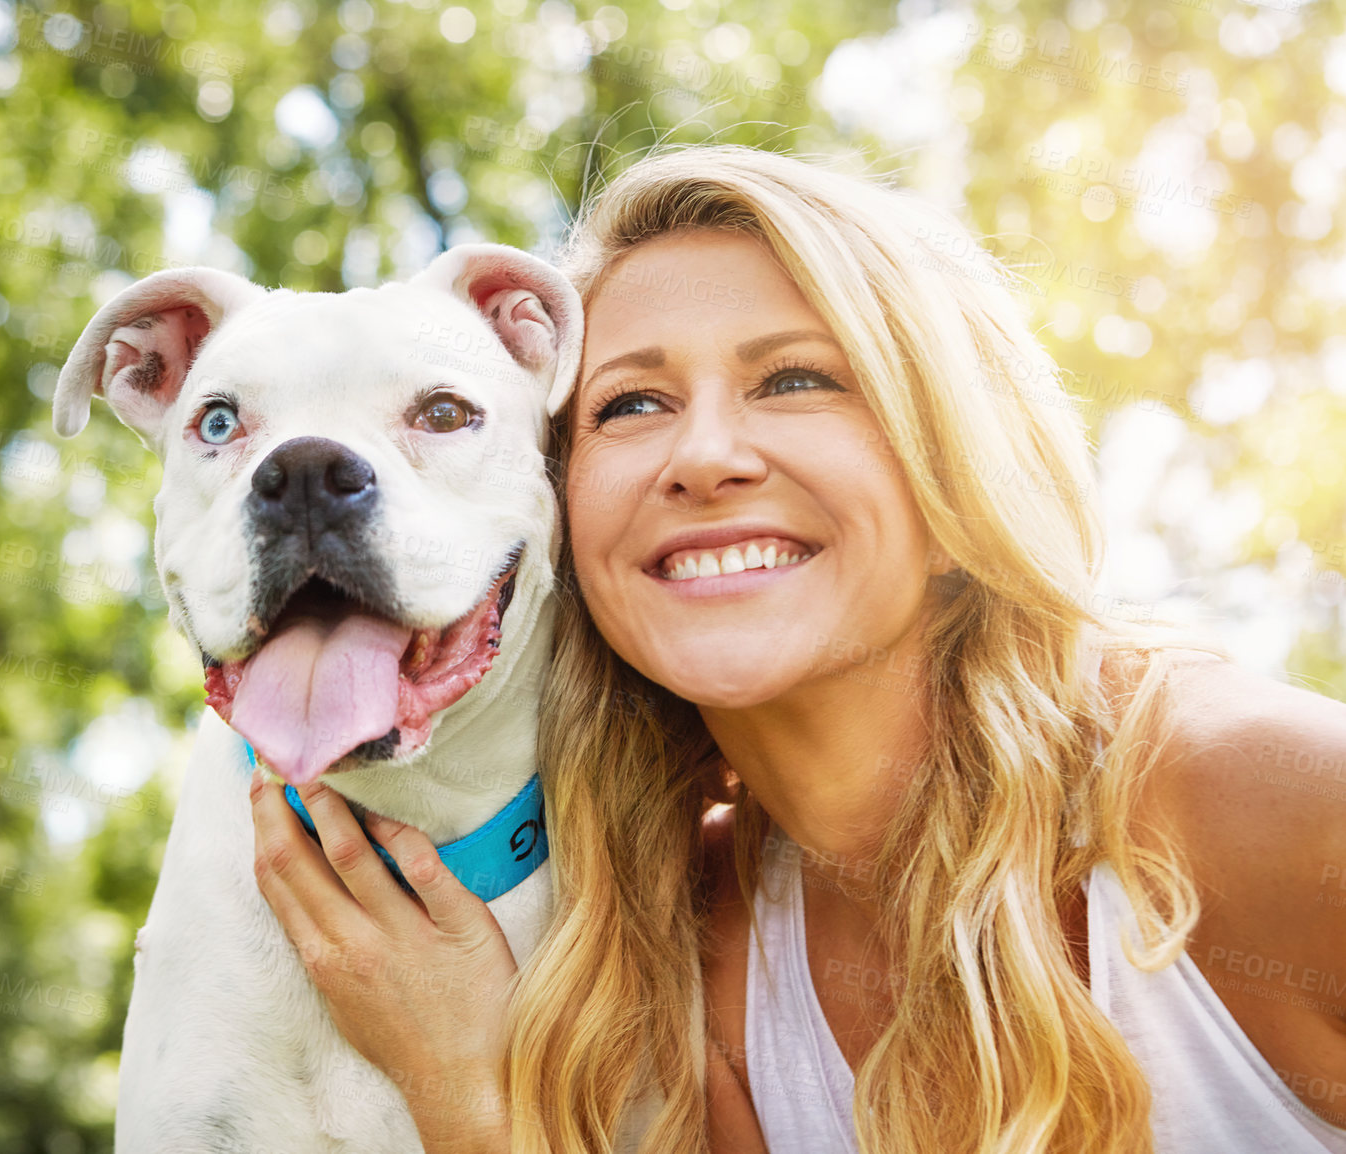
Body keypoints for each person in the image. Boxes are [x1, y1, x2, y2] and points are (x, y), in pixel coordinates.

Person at [247, 144, 1346, 1154]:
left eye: (796, 379)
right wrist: (468, 1087)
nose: (706, 454)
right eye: (631, 403)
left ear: (953, 461)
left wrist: (470, 1105)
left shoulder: (1252, 797)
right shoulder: (695, 946)